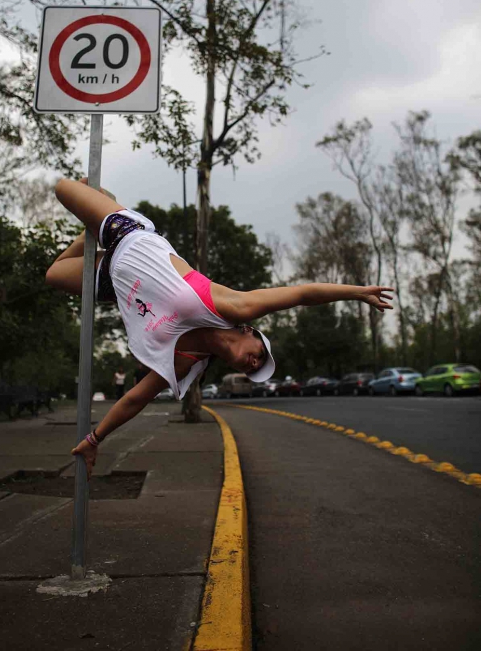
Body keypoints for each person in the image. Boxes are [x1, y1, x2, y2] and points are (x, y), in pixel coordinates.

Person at [45, 177, 394, 479]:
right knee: (64, 188)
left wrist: (94, 440)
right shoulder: (232, 307)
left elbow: (136, 398)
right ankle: (104, 204)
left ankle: (92, 224)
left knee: (54, 274)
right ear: (249, 332)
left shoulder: (188, 361)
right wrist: (357, 292)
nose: (254, 365)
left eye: (254, 369)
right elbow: (301, 294)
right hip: (130, 236)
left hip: (113, 280)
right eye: (259, 356)